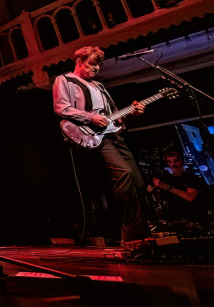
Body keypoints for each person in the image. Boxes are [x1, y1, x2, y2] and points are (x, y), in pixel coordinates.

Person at [53, 46, 148, 243]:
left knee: (138, 181)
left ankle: (142, 231)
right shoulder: (65, 80)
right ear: (80, 61)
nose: (96, 69)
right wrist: (91, 117)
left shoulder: (100, 86)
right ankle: (131, 234)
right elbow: (61, 107)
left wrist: (132, 113)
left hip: (113, 134)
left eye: (99, 66)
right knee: (124, 174)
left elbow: (114, 117)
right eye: (92, 64)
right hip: (92, 135)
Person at [148, 151, 207, 222]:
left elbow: (190, 197)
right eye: (169, 161)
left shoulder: (192, 178)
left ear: (182, 162)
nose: (172, 164)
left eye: (175, 161)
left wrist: (165, 186)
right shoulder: (168, 178)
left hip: (192, 220)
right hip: (173, 220)